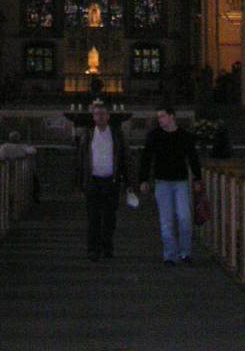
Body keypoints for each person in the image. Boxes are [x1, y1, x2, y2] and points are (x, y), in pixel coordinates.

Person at [139, 104, 202, 265]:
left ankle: (185, 252)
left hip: (180, 181)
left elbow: (193, 157)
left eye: (162, 116)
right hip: (162, 182)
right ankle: (170, 255)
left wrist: (197, 178)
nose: (160, 120)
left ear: (171, 116)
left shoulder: (183, 136)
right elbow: (146, 158)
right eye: (158, 117)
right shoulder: (155, 135)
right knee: (166, 221)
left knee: (184, 217)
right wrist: (143, 179)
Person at [77, 100, 130, 261]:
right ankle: (93, 250)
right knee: (93, 218)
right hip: (93, 181)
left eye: (102, 114)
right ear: (93, 117)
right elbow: (81, 160)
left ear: (108, 116)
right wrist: (79, 182)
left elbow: (124, 158)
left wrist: (128, 182)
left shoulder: (116, 135)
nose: (99, 117)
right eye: (97, 114)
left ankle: (107, 248)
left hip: (111, 181)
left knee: (109, 217)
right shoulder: (88, 135)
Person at [0, 130, 40, 202]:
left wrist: (7, 158)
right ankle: (34, 197)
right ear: (18, 138)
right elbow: (33, 151)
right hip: (21, 169)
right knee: (34, 180)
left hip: (8, 169)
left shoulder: (5, 146)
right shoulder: (22, 146)